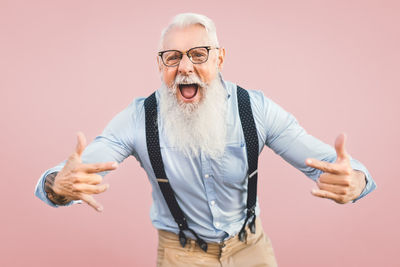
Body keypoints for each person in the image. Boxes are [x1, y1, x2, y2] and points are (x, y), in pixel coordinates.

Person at [34, 13, 376, 267]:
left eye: (198, 54)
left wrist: (355, 179)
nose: (185, 67)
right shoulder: (138, 118)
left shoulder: (254, 108)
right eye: (173, 57)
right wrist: (57, 184)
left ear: (219, 58)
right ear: (161, 65)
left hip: (250, 248)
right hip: (180, 253)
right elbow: (83, 167)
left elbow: (324, 163)